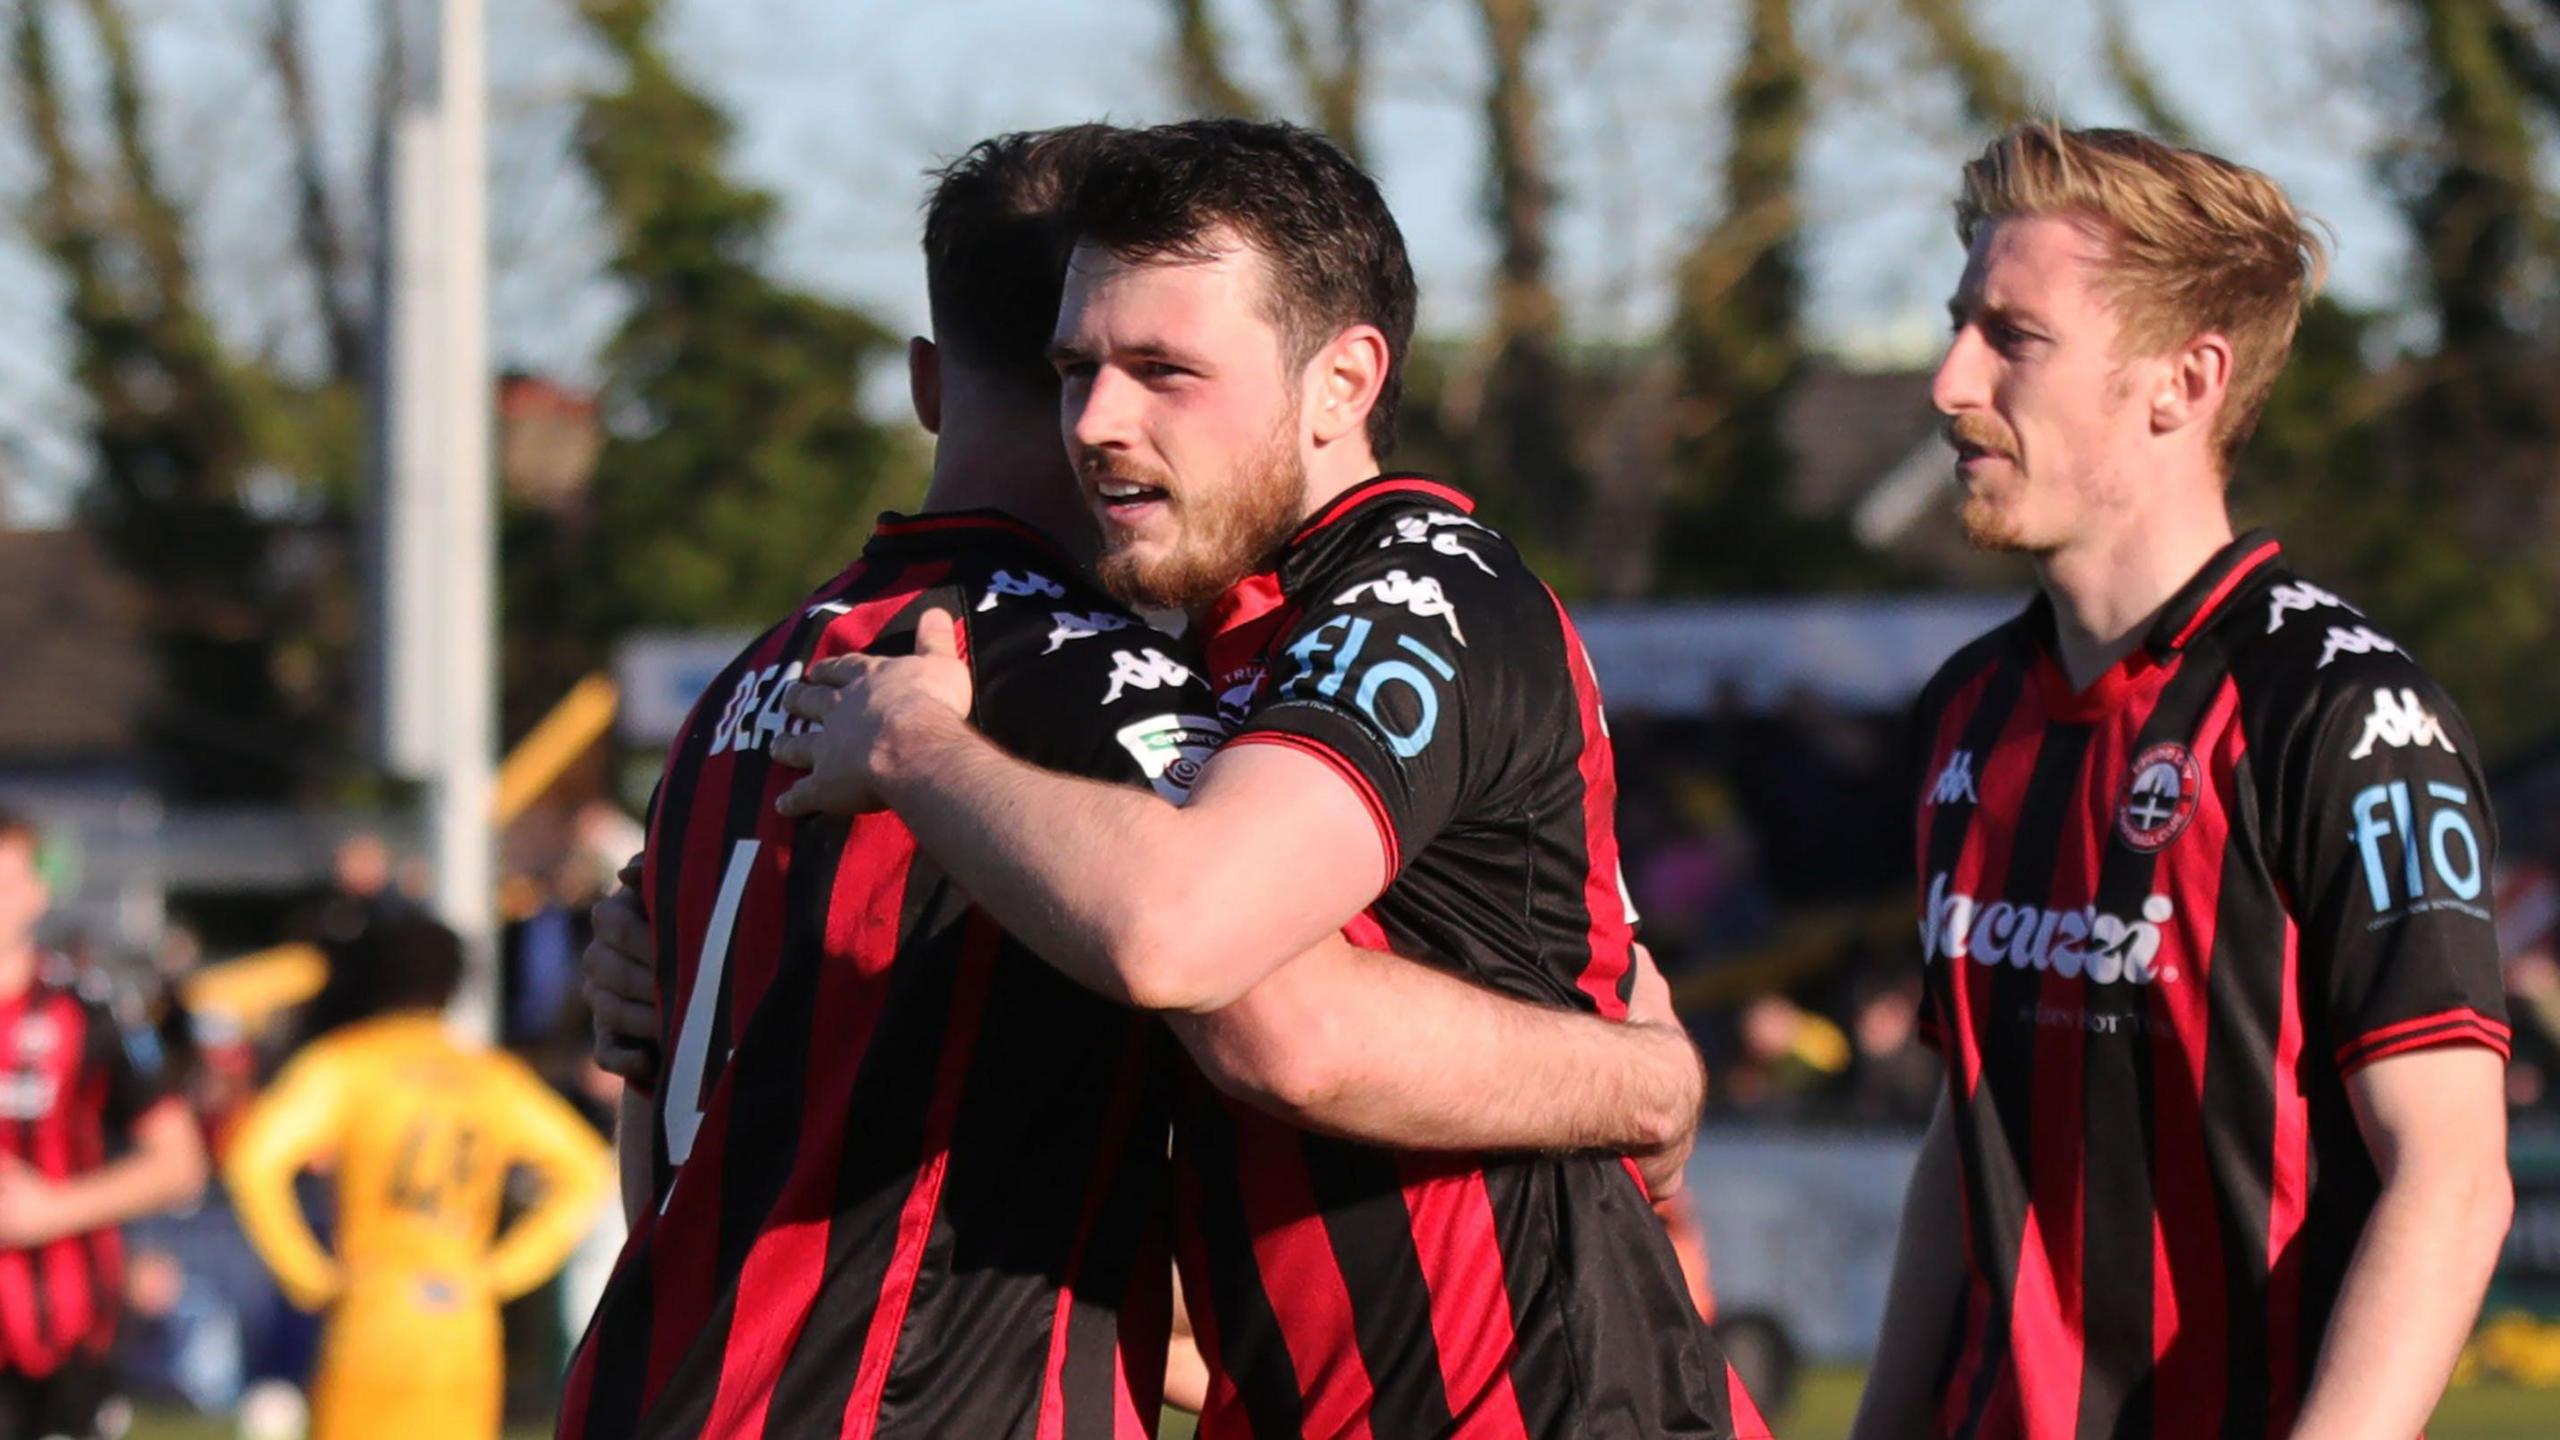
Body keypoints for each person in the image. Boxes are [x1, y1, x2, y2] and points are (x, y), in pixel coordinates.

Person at [561, 124, 1711, 1440]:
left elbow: (675, 1154)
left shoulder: (761, 689)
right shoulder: (1052, 674)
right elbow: (1249, 1024)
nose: (1101, 424)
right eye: (1075, 370)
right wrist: (1649, 1082)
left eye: (1162, 370)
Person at [1847, 124, 2514, 1440]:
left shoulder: (2342, 718)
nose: (1947, 380)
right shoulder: (1965, 715)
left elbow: (2450, 1180)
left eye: (2011, 335)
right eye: (1956, 325)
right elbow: (1965, 1129)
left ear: (2181, 381)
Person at [222, 917, 610, 1440]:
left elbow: (253, 1159)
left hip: (372, 1305)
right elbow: (586, 1169)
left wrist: (308, 1275)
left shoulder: (345, 1065)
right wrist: (502, 1272)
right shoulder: (491, 1076)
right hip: (462, 1319)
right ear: (456, 986)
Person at [0, 805, 207, 1439]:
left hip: (60, 1337)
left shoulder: (87, 1015)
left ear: (38, 892)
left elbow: (180, 1166)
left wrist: (51, 1210)